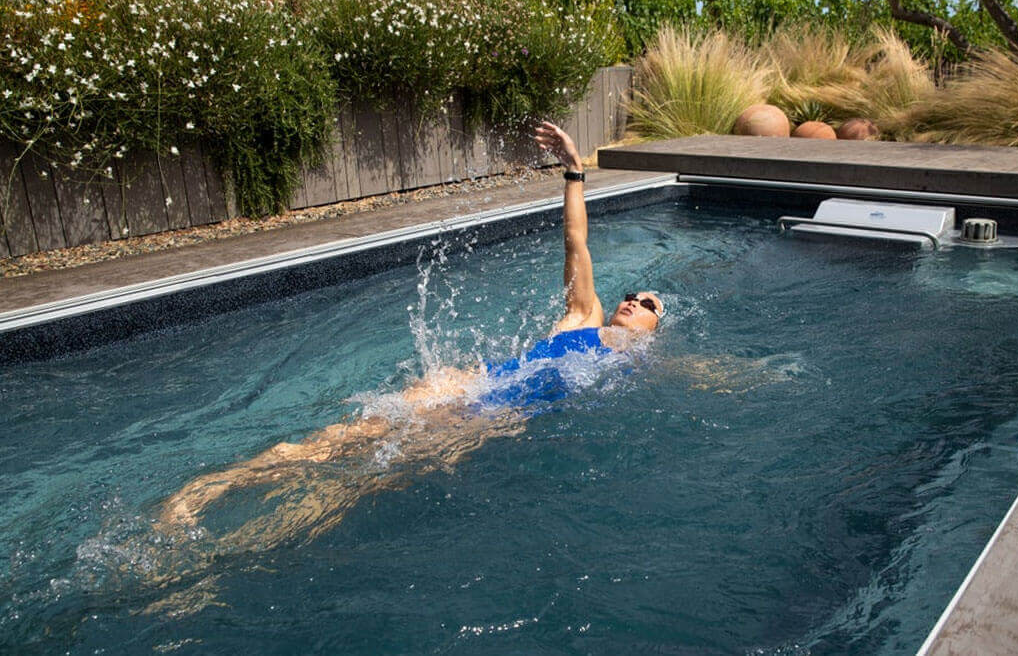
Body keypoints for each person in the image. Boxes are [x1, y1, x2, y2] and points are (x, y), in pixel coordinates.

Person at [156, 122, 664, 534]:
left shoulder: (634, 363)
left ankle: (241, 546)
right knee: (340, 440)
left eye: (646, 305)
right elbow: (576, 241)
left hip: (489, 421)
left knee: (366, 480)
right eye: (632, 293)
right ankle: (204, 492)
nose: (632, 301)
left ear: (653, 329)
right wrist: (575, 172)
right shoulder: (584, 317)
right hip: (466, 385)